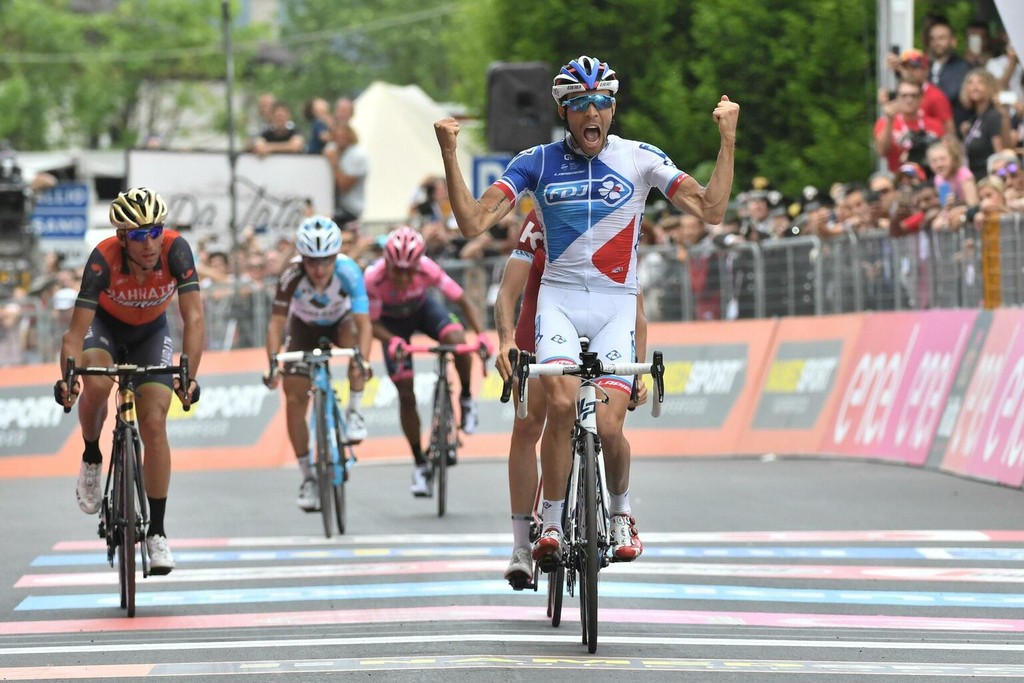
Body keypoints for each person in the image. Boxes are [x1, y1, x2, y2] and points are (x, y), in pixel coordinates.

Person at [435, 55, 738, 563]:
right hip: (560, 299)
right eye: (578, 104)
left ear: (613, 109)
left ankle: (620, 512)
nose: (590, 112)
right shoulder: (535, 161)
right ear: (563, 111)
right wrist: (449, 154)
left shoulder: (641, 158)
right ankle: (549, 522)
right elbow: (471, 223)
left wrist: (727, 141)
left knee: (612, 425)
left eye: (600, 102)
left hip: (617, 303)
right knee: (557, 404)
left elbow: (711, 209)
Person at [53, 187, 203, 575]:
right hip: (104, 328)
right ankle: (90, 456)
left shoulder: (176, 251)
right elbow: (74, 333)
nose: (149, 242)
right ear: (122, 237)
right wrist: (67, 378)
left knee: (154, 422)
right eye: (138, 235)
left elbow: (195, 318)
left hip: (151, 332)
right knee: (98, 385)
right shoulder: (103, 259)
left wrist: (189, 374)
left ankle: (157, 531)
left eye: (155, 231)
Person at [494, 209, 648, 584]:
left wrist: (637, 367)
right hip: (541, 324)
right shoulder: (541, 218)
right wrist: (507, 342)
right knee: (529, 424)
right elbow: (508, 292)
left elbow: (635, 310)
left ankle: (617, 514)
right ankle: (521, 545)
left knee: (609, 425)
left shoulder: (614, 215)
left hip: (604, 325)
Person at [363, 226, 492, 496]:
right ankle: (420, 464)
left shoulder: (428, 268)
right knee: (406, 394)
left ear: (418, 264)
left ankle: (466, 399)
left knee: (457, 339)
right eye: (396, 270)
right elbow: (370, 323)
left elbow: (463, 300)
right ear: (386, 262)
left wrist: (481, 335)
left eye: (409, 270)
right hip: (389, 325)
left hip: (422, 311)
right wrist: (391, 341)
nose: (402, 277)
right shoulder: (373, 279)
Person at [263, 216, 373, 512]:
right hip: (303, 329)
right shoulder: (291, 275)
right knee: (294, 396)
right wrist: (272, 363)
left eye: (326, 261)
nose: (320, 269)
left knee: (357, 352)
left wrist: (362, 360)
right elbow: (276, 325)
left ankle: (355, 414)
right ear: (302, 259)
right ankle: (308, 477)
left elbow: (364, 324)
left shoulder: (349, 272)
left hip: (341, 324)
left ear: (336, 256)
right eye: (312, 262)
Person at [874, 79, 944, 175]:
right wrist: (890, 121)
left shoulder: (935, 125)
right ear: (897, 98)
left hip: (929, 177)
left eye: (913, 96)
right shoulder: (884, 123)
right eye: (904, 96)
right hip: (899, 179)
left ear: (921, 98)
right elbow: (881, 152)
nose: (909, 100)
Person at [323, 123, 368, 227]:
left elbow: (344, 186)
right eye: (336, 137)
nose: (339, 141)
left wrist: (334, 164)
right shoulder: (336, 151)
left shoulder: (358, 155)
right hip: (334, 207)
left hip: (350, 210)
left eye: (343, 137)